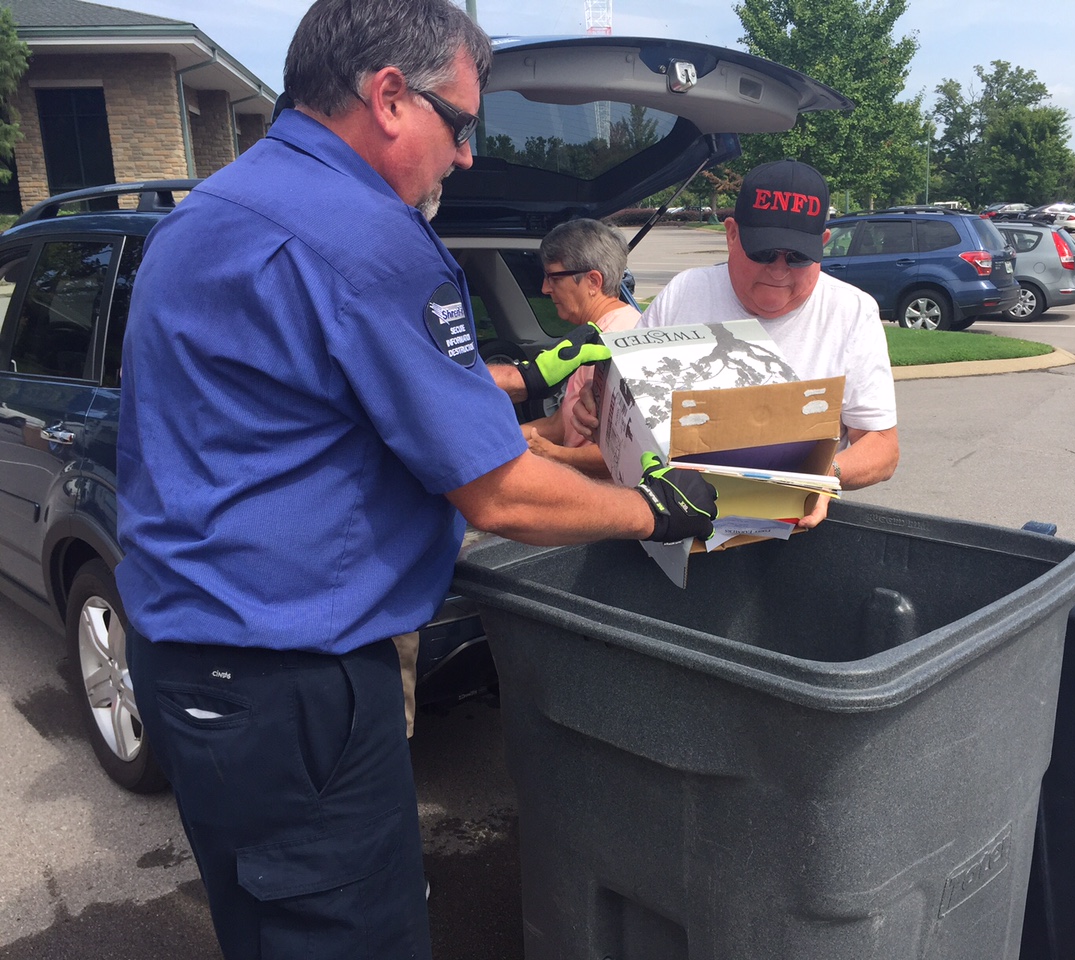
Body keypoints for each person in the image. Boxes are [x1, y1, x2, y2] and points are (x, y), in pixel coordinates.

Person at [113, 3, 716, 959]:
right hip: (297, 686)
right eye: (461, 123)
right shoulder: (367, 237)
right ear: (389, 97)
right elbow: (501, 495)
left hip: (195, 673)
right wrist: (657, 508)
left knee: (269, 926)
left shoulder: (213, 211)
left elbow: (341, 412)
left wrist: (544, 409)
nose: (469, 156)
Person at [572, 159, 899, 492]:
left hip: (792, 522)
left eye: (798, 257)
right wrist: (599, 405)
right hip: (674, 512)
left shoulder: (852, 311)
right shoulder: (685, 292)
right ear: (731, 235)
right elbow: (629, 397)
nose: (779, 270)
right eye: (764, 253)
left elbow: (882, 444)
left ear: (823, 244)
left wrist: (826, 475)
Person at [522, 218, 640, 478]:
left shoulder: (618, 342)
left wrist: (553, 454)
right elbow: (561, 424)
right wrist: (494, 439)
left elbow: (627, 451)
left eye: (553, 277)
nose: (544, 288)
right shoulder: (596, 332)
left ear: (593, 282)